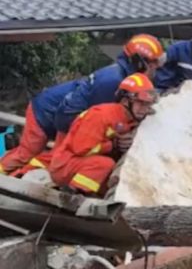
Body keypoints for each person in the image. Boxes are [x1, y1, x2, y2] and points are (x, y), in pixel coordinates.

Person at [11, 33, 164, 176]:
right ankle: (8, 181)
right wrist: (111, 143)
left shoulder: (124, 75)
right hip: (48, 111)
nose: (155, 69)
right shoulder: (112, 81)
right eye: (152, 64)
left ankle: (24, 177)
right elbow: (101, 118)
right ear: (139, 62)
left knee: (57, 158)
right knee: (35, 156)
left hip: (63, 113)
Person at [49, 73, 157, 196]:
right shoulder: (100, 115)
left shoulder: (131, 120)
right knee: (105, 164)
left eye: (148, 104)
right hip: (65, 166)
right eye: (141, 103)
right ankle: (74, 195)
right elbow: (81, 149)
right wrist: (113, 145)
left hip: (86, 167)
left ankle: (91, 192)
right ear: (126, 101)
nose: (145, 109)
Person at [0, 80, 79, 175]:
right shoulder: (88, 92)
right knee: (27, 154)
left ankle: (14, 176)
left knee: (34, 154)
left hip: (48, 111)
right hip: (44, 113)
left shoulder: (90, 87)